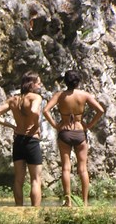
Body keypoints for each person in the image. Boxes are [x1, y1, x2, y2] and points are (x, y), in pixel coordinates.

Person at [43, 70, 105, 206]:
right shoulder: (84, 95)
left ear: (66, 82)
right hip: (79, 132)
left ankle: (68, 201)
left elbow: (45, 110)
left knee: (66, 168)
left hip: (65, 132)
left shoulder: (60, 95)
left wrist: (55, 125)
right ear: (78, 81)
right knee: (83, 169)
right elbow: (100, 110)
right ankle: (85, 202)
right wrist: (89, 125)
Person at [0, 71, 43, 207]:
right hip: (32, 140)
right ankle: (35, 210)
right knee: (35, 179)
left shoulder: (13, 99)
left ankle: (18, 208)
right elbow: (33, 111)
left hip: (18, 140)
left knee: (18, 179)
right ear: (32, 84)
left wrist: (12, 125)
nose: (40, 85)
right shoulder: (35, 97)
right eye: (38, 83)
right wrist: (36, 125)